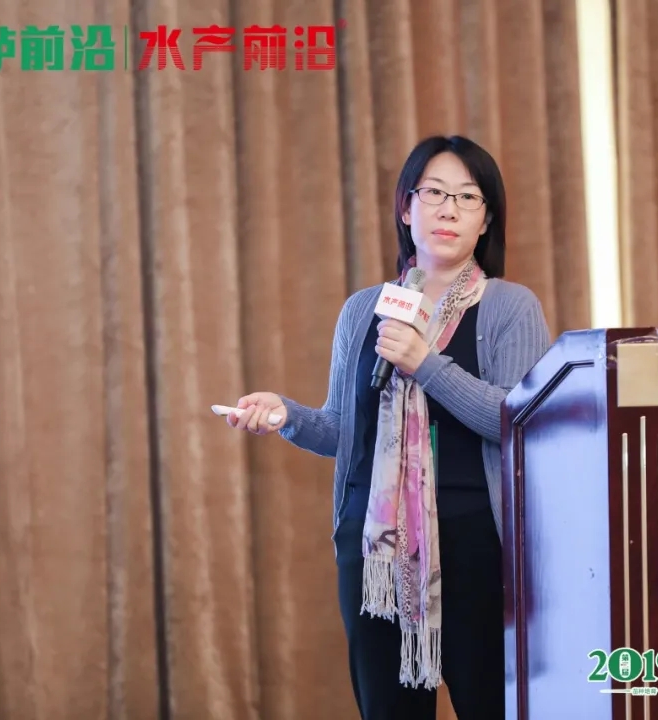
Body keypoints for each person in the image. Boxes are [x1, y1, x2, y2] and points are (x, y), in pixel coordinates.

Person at [227, 135, 551, 720]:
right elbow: (342, 431)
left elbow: (516, 421)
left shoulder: (510, 306)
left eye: (468, 197)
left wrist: (425, 363)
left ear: (485, 220)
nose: (449, 209)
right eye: (434, 193)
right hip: (376, 553)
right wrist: (286, 415)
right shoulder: (364, 309)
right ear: (406, 208)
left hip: (478, 548)